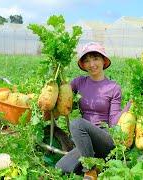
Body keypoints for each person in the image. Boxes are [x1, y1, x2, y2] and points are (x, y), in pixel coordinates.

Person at [55, 42, 131, 179]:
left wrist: (128, 110)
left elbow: (113, 121)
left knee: (77, 123)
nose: (92, 64)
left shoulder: (113, 87)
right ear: (83, 65)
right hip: (85, 141)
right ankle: (97, 161)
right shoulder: (79, 82)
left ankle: (90, 169)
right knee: (60, 168)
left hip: (105, 139)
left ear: (103, 60)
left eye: (95, 58)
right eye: (87, 60)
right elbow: (62, 96)